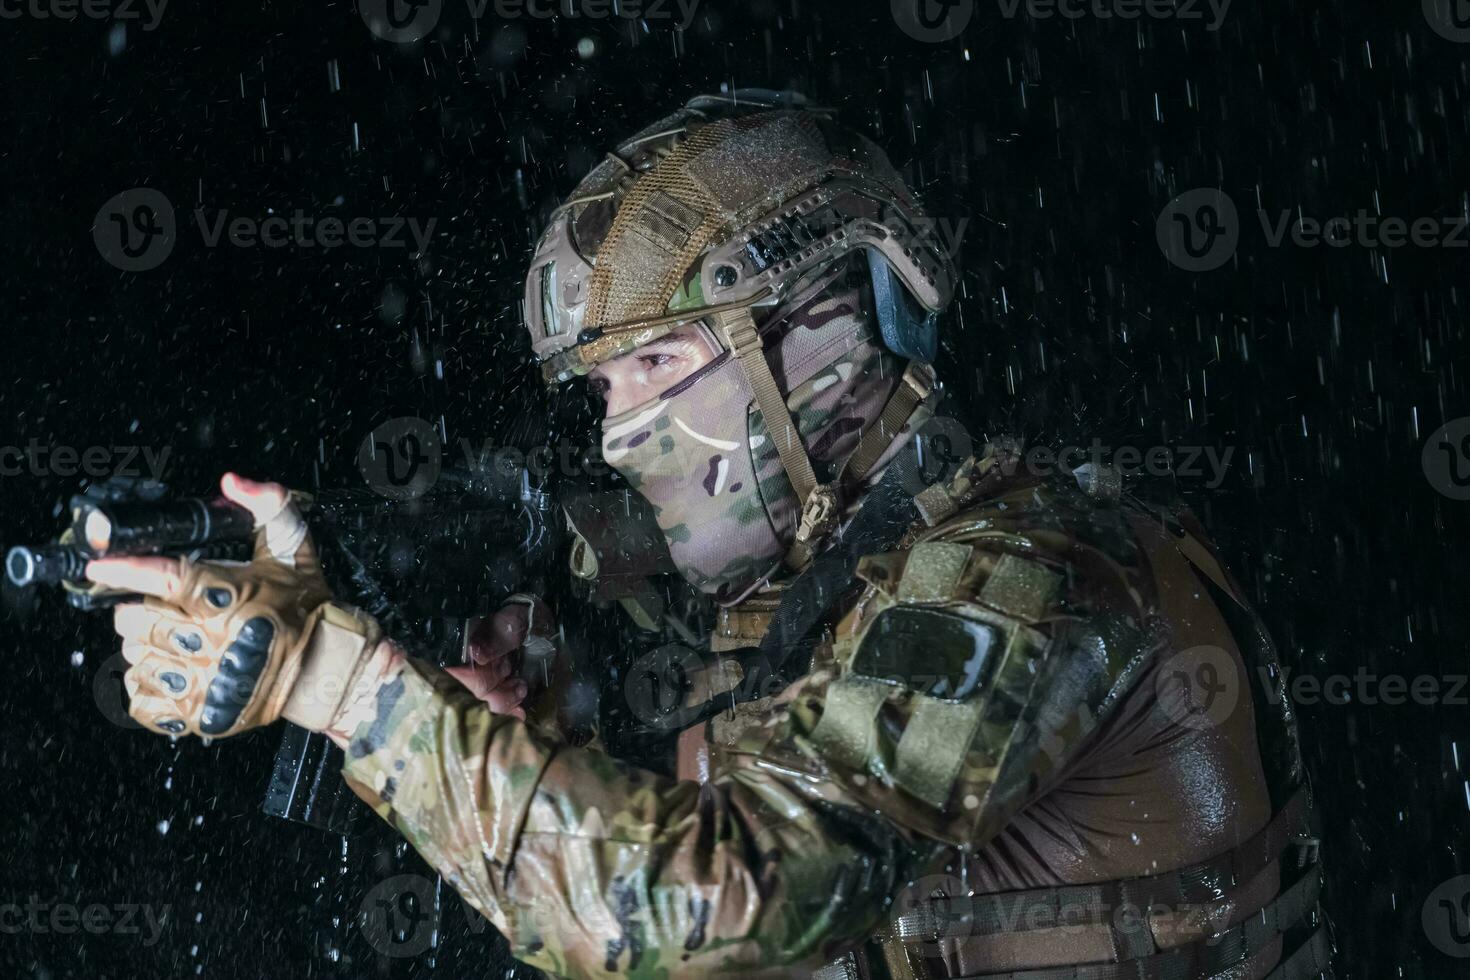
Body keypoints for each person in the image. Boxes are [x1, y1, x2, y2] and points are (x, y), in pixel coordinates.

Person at [87, 92, 1331, 979]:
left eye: (660, 367)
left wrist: (343, 685)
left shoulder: (1034, 569)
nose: (622, 433)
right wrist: (516, 714)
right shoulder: (820, 587)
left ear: (819, 335)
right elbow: (631, 859)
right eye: (606, 390)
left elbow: (712, 915)